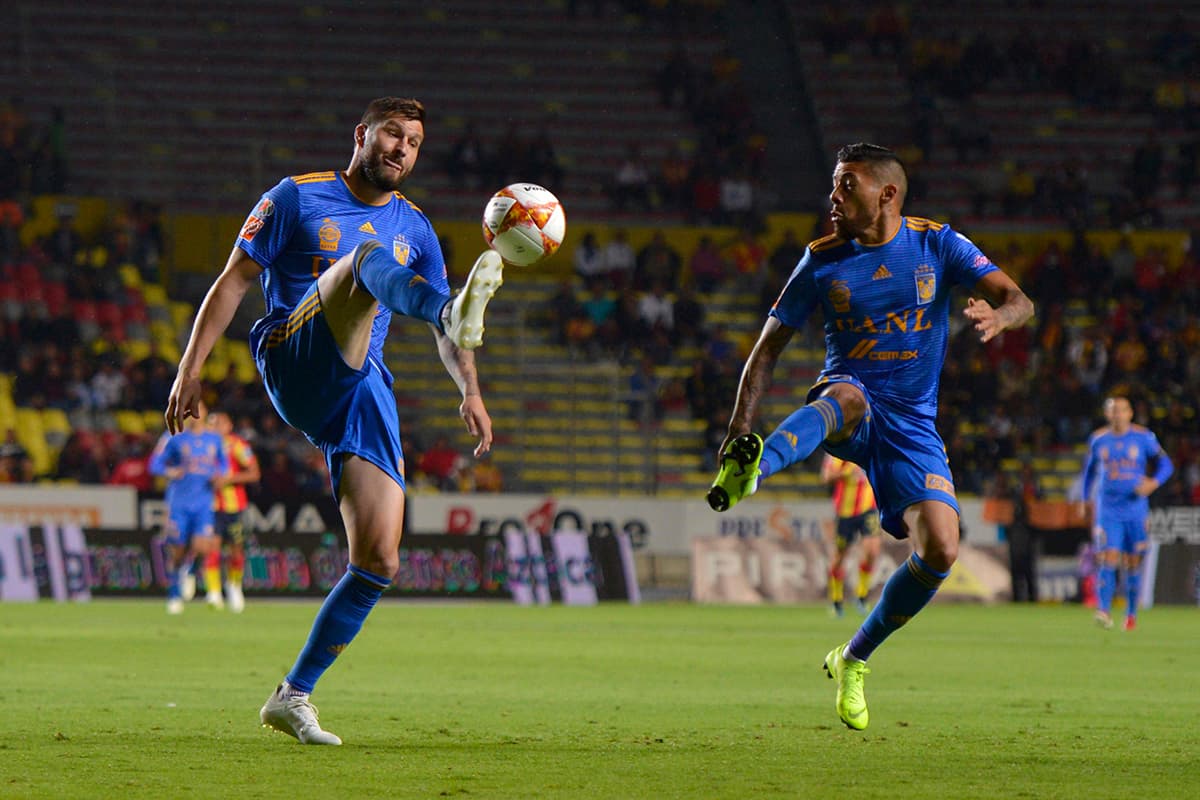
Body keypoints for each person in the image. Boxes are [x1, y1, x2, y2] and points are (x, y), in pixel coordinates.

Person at [164, 97, 502, 746]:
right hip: (293, 354)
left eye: (414, 142)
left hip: (362, 390)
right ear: (362, 136)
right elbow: (235, 280)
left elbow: (449, 343)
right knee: (365, 266)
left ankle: (292, 695)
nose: (402, 148)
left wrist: (469, 388)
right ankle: (446, 309)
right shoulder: (297, 197)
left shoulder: (417, 228)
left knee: (379, 558)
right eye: (392, 135)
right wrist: (191, 365)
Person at [705, 143, 1033, 731]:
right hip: (849, 400)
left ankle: (853, 657)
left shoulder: (937, 243)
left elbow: (1019, 298)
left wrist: (1000, 317)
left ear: (887, 194)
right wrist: (738, 431)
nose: (833, 197)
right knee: (847, 396)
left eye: (845, 185)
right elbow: (767, 349)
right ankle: (753, 465)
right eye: (833, 184)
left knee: (941, 549)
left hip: (913, 425)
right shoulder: (822, 258)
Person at [1077, 394, 1173, 631]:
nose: (1117, 415)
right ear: (1107, 414)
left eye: (1122, 410)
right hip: (1108, 509)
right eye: (1113, 410)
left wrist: (1153, 483)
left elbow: (1167, 465)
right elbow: (1089, 472)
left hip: (1135, 509)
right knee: (1107, 557)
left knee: (1132, 561)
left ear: (1130, 413)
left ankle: (1130, 615)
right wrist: (1084, 499)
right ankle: (1104, 610)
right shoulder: (1098, 440)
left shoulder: (1144, 437)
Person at [149, 401, 228, 614]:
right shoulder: (173, 436)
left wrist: (220, 476)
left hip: (203, 502)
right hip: (179, 503)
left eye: (199, 410)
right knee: (177, 550)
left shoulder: (215, 439)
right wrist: (170, 472)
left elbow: (223, 464)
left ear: (205, 413)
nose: (195, 414)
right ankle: (174, 595)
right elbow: (154, 464)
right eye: (190, 410)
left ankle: (190, 571)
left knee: (204, 547)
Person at [209, 410, 260, 614]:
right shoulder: (203, 446)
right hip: (210, 506)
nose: (215, 426)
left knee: (236, 550)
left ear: (229, 425)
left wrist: (229, 479)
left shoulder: (238, 445)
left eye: (219, 422)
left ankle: (234, 586)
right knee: (211, 547)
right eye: (211, 423)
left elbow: (254, 473)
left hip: (234, 506)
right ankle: (213, 593)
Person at [820, 454, 881, 617]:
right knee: (840, 555)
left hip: (869, 508)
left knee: (872, 551)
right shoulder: (838, 452)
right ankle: (836, 599)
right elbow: (826, 477)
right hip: (845, 511)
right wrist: (846, 472)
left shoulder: (872, 442)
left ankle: (861, 595)